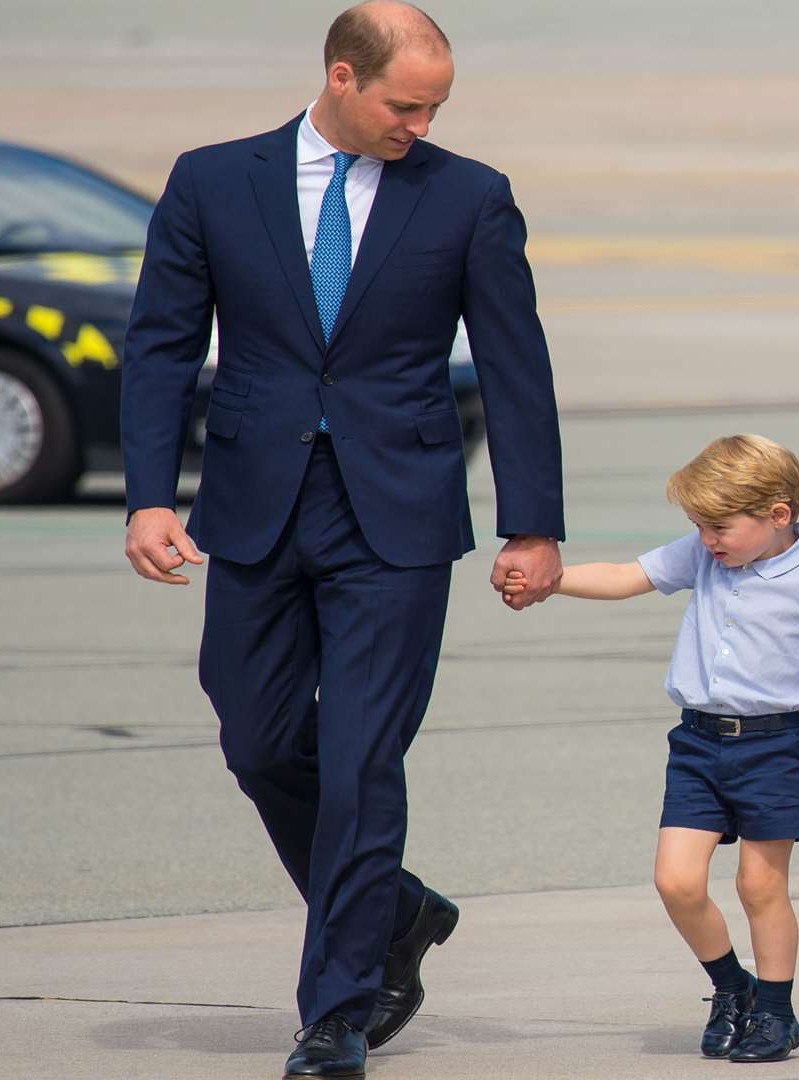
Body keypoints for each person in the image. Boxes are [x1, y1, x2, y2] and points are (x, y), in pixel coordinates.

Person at [119, 4, 565, 1076]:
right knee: (259, 739)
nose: (421, 124)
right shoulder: (214, 181)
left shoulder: (467, 196)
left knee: (365, 759)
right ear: (342, 77)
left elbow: (515, 366)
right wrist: (147, 498)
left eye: (436, 107)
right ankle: (396, 911)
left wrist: (533, 525)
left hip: (398, 515)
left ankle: (338, 1009)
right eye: (405, 105)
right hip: (255, 504)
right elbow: (160, 346)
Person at [505, 434, 799, 1064]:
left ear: (778, 515)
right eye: (700, 527)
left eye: (718, 527)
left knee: (761, 886)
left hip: (777, 745)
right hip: (698, 742)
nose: (708, 540)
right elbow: (630, 575)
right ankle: (732, 988)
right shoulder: (707, 556)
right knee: (676, 881)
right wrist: (553, 580)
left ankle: (776, 1013)